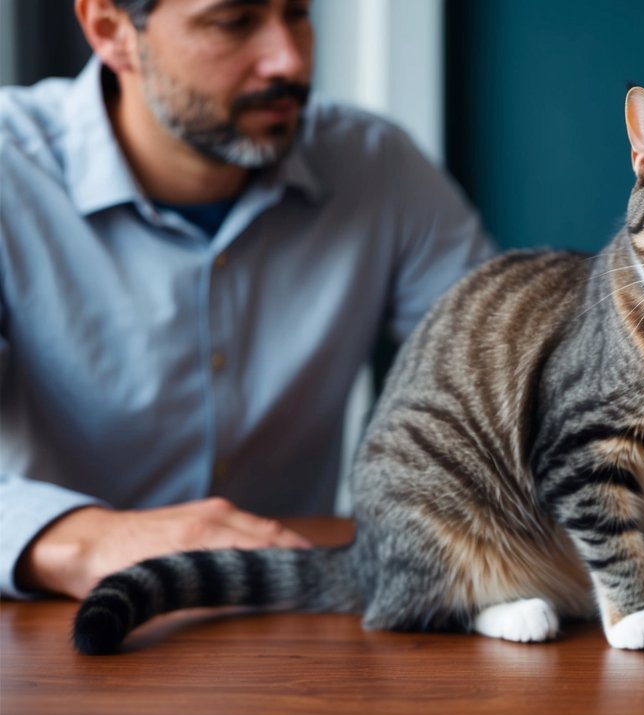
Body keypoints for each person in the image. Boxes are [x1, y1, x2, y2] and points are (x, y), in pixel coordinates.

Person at [0, 0, 497, 599]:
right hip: (52, 638)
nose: (287, 60)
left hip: (295, 620)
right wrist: (87, 539)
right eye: (233, 22)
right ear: (111, 31)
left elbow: (504, 384)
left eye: (297, 14)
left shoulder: (379, 167)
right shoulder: (11, 170)